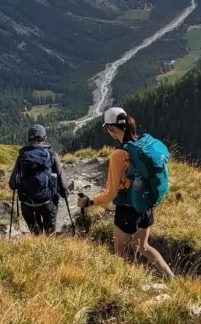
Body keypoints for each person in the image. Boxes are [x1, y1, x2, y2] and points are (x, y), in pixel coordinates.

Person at [79, 107, 175, 279]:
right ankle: (171, 276)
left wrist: (90, 202)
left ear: (110, 128)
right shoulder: (144, 144)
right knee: (143, 246)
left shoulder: (118, 155)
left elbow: (111, 193)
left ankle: (122, 285)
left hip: (127, 209)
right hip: (146, 205)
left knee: (120, 252)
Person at [9, 123, 69, 236]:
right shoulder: (51, 155)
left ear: (28, 139)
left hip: (27, 204)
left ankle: (36, 247)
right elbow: (62, 180)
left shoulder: (22, 156)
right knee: (49, 234)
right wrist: (64, 193)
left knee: (35, 234)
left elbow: (12, 184)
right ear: (44, 138)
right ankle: (49, 248)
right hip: (47, 203)